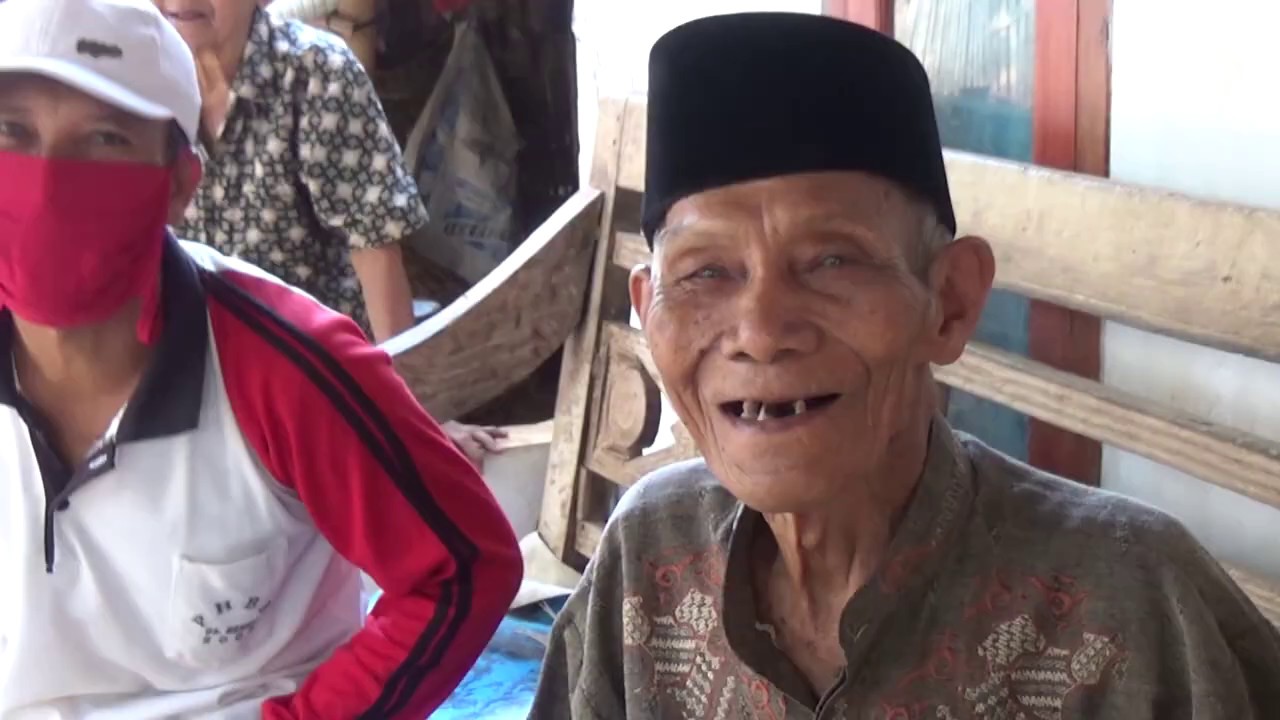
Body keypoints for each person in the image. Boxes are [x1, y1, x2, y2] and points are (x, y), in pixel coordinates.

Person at [529, 13, 1280, 719]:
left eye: (831, 261)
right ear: (648, 305)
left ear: (949, 302)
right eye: (704, 273)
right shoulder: (648, 552)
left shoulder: (1134, 601)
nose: (759, 333)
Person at [0, 0, 521, 717]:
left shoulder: (288, 369)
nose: (49, 183)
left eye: (105, 139)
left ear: (180, 185)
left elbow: (462, 567)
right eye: (11, 131)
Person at [153, 0, 506, 466]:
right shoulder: (135, 87)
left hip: (322, 394)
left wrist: (414, 418)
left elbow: (376, 253)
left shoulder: (317, 74)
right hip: (198, 406)